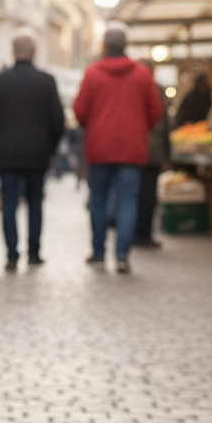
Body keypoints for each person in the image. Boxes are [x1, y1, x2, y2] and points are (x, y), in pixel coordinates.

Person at [73, 22, 163, 273]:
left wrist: (95, 125)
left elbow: (80, 111)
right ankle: (123, 254)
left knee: (99, 200)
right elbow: (155, 111)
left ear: (104, 45)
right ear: (126, 45)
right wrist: (138, 127)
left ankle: (99, 252)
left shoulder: (93, 73)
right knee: (127, 201)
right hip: (132, 148)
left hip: (100, 147)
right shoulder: (142, 75)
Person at [0, 31, 64, 272]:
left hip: (6, 153)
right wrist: (51, 148)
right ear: (33, 52)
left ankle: (11, 255)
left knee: (9, 204)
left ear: (12, 52)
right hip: (38, 153)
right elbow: (57, 120)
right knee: (35, 202)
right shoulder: (47, 81)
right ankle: (34, 252)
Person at [135, 65, 171, 248]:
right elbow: (163, 123)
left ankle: (135, 233)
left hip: (136, 150)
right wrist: (167, 154)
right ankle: (144, 233)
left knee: (135, 195)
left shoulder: (134, 88)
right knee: (147, 195)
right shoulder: (157, 90)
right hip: (152, 151)